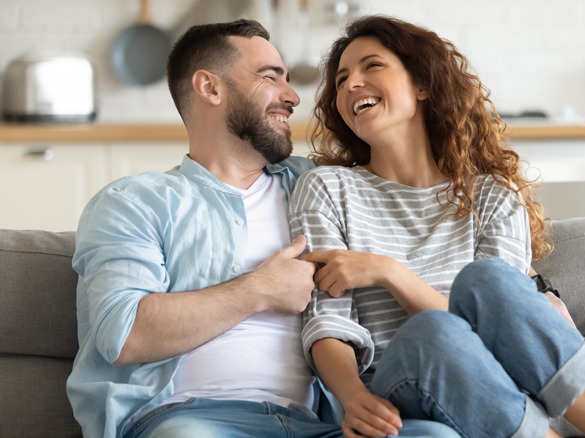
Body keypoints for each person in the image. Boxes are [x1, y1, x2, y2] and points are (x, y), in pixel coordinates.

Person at [289, 15, 585, 438]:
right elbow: (327, 322)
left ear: (422, 84)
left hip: (495, 392)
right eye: (340, 80)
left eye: (372, 66)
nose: (351, 84)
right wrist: (353, 398)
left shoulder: (494, 195)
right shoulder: (327, 189)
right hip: (398, 386)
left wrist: (391, 273)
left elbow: (504, 331)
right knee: (431, 333)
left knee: (489, 281)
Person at [66, 18, 456, 438]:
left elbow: (424, 217)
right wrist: (260, 290)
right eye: (271, 78)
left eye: (288, 81)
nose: (292, 97)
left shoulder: (320, 189)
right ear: (209, 87)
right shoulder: (135, 202)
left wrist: (534, 286)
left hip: (315, 426)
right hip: (188, 419)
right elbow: (122, 335)